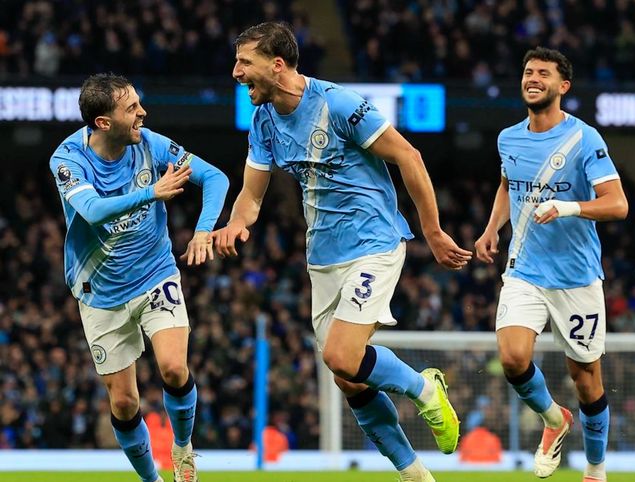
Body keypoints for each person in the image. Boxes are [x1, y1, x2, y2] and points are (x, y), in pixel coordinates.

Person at [213, 22, 471, 482]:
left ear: (277, 65)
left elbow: (409, 156)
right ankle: (415, 474)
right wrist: (236, 223)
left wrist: (432, 231)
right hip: (323, 259)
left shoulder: (340, 105)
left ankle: (425, 388)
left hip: (373, 243)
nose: (236, 72)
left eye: (244, 62)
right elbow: (251, 196)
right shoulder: (263, 122)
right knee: (347, 377)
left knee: (343, 356)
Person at [49, 73, 229, 482]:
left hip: (155, 274)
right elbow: (92, 211)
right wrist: (152, 193)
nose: (142, 113)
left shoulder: (151, 145)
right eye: (131, 108)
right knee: (125, 402)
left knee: (174, 369)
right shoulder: (68, 159)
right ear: (103, 122)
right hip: (100, 291)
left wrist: (203, 230)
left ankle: (183, 449)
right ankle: (151, 479)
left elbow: (215, 177)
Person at [475, 47, 628, 482]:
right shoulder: (508, 138)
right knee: (512, 358)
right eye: (528, 71)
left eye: (544, 73)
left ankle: (595, 469)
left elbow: (617, 204)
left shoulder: (584, 139)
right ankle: (554, 419)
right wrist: (492, 228)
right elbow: (508, 185)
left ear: (563, 86)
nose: (533, 78)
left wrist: (568, 207)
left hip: (576, 278)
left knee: (586, 379)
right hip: (525, 270)